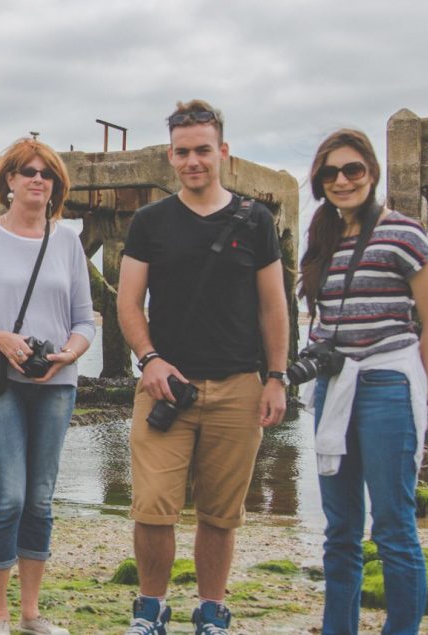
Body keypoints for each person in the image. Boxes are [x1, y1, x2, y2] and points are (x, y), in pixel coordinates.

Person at [116, 100, 288, 635]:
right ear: (171, 156)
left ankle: (211, 611)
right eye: (183, 151)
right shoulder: (150, 221)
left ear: (224, 153)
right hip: (166, 387)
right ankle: (150, 609)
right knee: (151, 508)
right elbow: (128, 302)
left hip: (239, 385)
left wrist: (277, 377)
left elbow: (273, 305)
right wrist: (149, 359)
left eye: (203, 150)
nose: (194, 161)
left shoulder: (256, 220)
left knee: (220, 514)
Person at [301, 129, 428, 635]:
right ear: (320, 181)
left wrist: (421, 395)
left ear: (371, 173)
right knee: (340, 531)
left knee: (392, 528)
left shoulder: (404, 234)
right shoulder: (320, 239)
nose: (341, 180)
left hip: (388, 383)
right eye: (330, 173)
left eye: (352, 170)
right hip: (333, 386)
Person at [0, 138, 95, 635]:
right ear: (8, 180)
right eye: (27, 171)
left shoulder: (68, 241)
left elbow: (84, 321)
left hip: (56, 383)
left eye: (47, 174)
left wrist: (67, 355)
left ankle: (31, 615)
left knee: (41, 499)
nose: (37, 180)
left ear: (55, 185)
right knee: (6, 496)